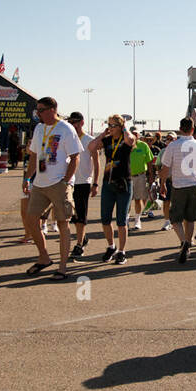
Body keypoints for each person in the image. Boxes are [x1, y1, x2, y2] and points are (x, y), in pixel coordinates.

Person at [22, 97, 80, 280]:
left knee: (63, 223)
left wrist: (66, 181)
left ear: (53, 109)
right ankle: (44, 257)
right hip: (39, 182)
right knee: (31, 221)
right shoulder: (39, 128)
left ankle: (62, 267)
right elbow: (33, 156)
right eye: (37, 110)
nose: (38, 114)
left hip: (58, 183)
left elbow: (75, 156)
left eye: (41, 110)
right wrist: (27, 177)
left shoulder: (66, 128)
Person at [159, 118, 196, 262]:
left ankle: (183, 242)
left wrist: (162, 183)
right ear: (193, 130)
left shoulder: (173, 146)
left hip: (178, 186)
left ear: (180, 129)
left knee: (175, 218)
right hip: (195, 185)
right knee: (190, 218)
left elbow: (165, 168)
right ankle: (187, 243)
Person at [87, 114, 135, 263]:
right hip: (108, 183)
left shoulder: (126, 139)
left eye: (113, 125)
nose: (110, 127)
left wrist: (125, 127)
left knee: (121, 221)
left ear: (120, 127)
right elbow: (91, 147)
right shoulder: (107, 140)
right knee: (105, 219)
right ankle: (111, 246)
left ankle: (121, 251)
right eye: (108, 124)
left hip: (123, 184)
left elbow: (131, 140)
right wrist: (103, 134)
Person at [66, 112, 94, 257]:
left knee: (81, 215)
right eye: (71, 122)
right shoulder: (68, 138)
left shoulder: (89, 140)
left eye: (75, 122)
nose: (73, 125)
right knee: (72, 216)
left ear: (82, 122)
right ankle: (82, 238)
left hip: (83, 182)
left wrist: (95, 183)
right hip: (70, 182)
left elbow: (96, 161)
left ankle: (78, 245)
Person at [128, 126, 155, 230]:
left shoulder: (143, 146)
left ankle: (137, 220)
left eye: (136, 134)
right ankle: (126, 220)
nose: (134, 135)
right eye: (132, 133)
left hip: (140, 176)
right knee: (127, 200)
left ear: (139, 135)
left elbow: (149, 163)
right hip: (127, 177)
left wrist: (151, 178)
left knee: (138, 199)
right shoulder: (124, 145)